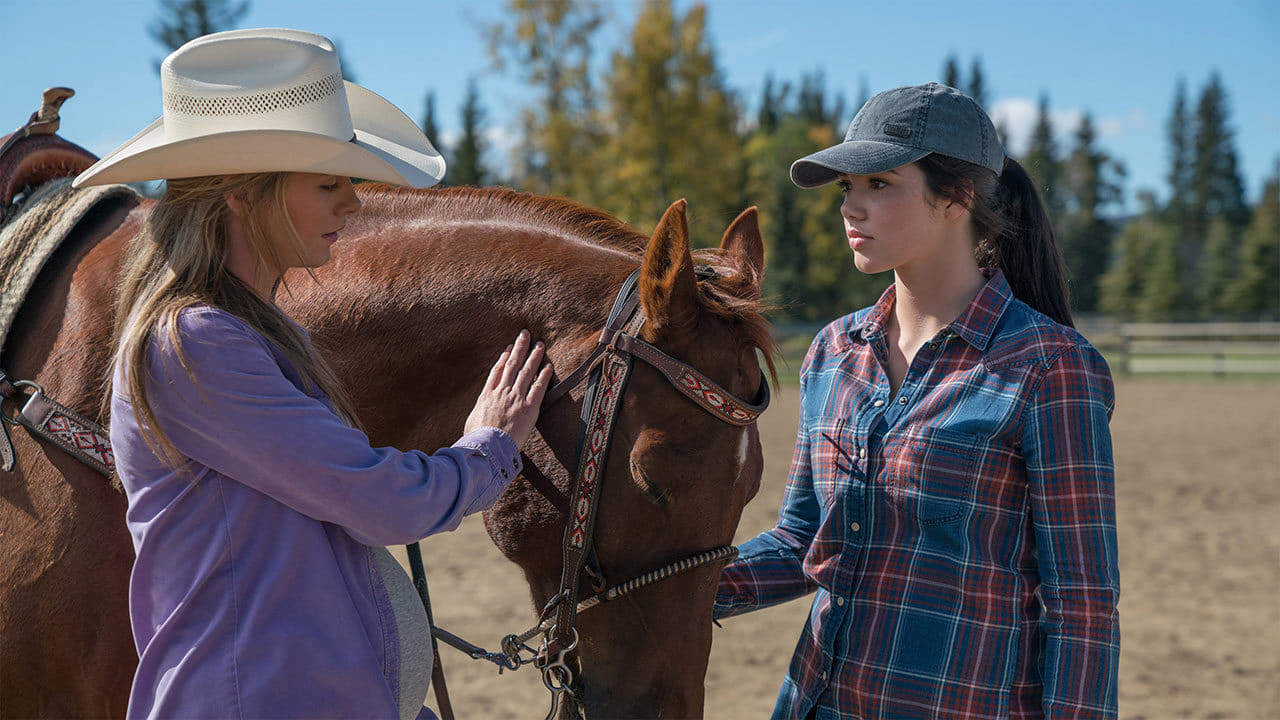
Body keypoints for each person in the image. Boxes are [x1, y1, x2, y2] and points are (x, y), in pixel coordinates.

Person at [74, 29, 551, 720]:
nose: (353, 202)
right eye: (328, 183)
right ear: (242, 194)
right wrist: (489, 448)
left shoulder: (241, 334)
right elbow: (377, 501)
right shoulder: (197, 342)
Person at [713, 83, 1119, 719]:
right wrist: (668, 583)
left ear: (956, 198)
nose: (852, 208)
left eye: (879, 184)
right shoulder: (833, 351)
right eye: (848, 188)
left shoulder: (1051, 367)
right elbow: (802, 541)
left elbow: (1082, 603)